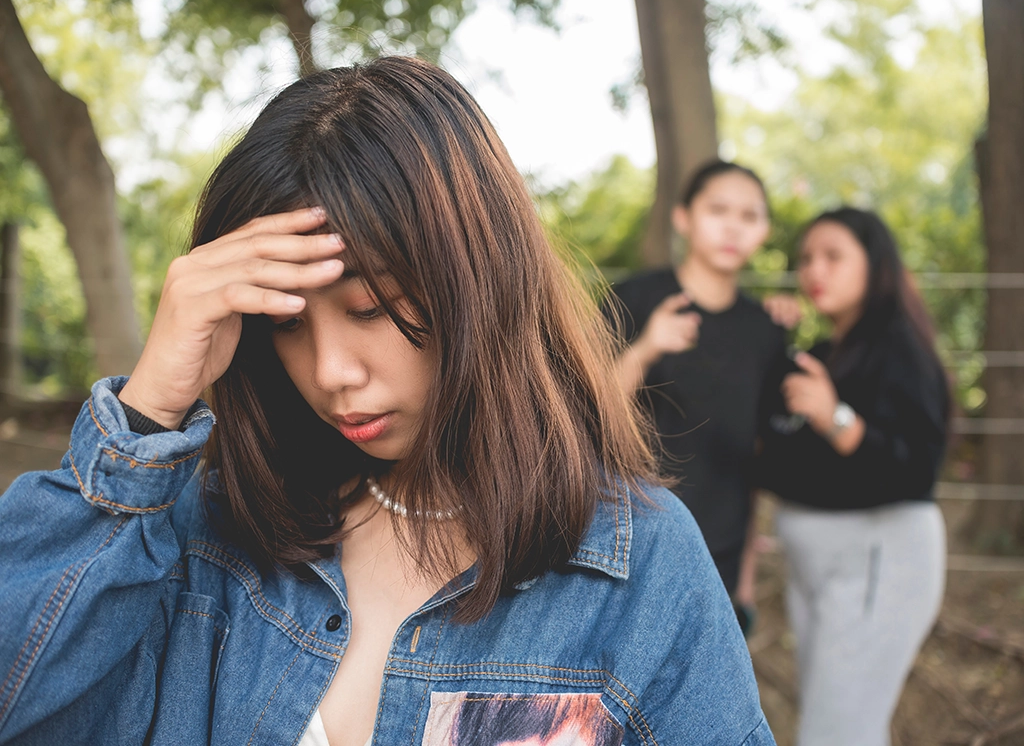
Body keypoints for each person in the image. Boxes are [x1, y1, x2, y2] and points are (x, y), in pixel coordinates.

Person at [0, 58, 775, 746]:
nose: (332, 371)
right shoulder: (204, 533)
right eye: (286, 326)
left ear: (476, 284)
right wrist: (145, 417)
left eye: (371, 308)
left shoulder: (638, 569)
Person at [758, 207, 949, 746]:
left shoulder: (901, 351)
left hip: (878, 561)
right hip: (819, 571)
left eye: (834, 256)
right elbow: (772, 450)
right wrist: (771, 340)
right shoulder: (824, 354)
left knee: (838, 732)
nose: (816, 270)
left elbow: (917, 469)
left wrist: (836, 418)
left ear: (876, 265)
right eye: (807, 259)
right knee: (843, 726)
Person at [605, 160, 787, 631]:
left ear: (765, 230)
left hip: (718, 555)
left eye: (750, 216)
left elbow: (756, 458)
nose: (733, 227)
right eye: (718, 210)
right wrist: (645, 350)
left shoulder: (764, 330)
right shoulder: (632, 299)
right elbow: (583, 413)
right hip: (626, 542)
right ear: (683, 217)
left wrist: (744, 578)